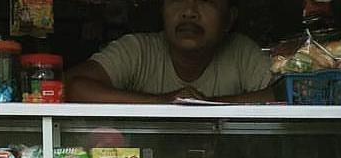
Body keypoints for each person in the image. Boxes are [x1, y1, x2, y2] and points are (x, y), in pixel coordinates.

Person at [65, 0, 277, 104]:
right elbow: (70, 86)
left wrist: (207, 106)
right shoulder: (138, 50)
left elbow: (283, 95)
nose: (189, 12)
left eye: (206, 0)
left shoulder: (242, 53)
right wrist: (160, 102)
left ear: (229, 19)